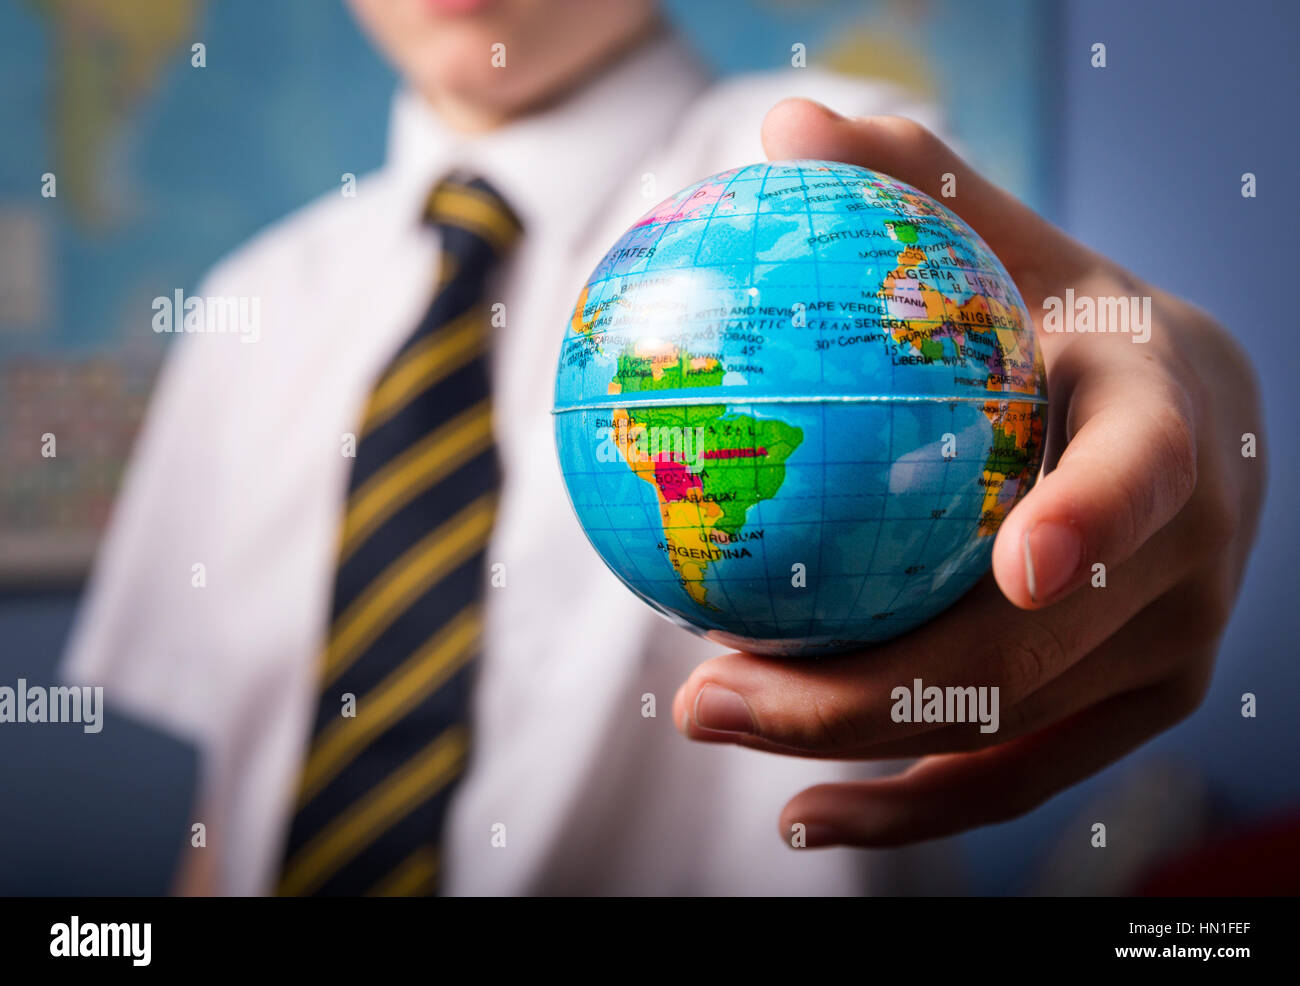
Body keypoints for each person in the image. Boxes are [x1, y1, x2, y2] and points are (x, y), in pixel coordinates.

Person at [61, 0, 1264, 896]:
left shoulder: (846, 183)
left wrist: (1203, 414)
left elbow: (1107, 341)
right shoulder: (247, 303)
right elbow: (233, 815)